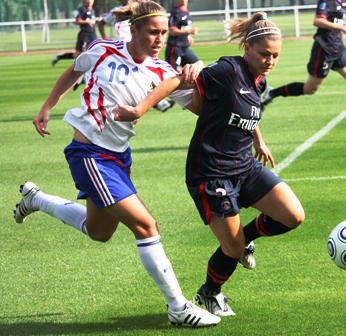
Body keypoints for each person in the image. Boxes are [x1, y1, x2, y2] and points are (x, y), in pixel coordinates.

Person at [14, 0, 220, 327]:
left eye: (164, 33)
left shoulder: (162, 72)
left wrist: (192, 79)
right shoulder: (102, 49)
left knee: (98, 231)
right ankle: (178, 307)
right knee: (146, 226)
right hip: (90, 154)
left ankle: (36, 199)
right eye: (153, 32)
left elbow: (198, 107)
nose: (159, 39)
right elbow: (75, 70)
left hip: (119, 156)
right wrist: (47, 106)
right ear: (133, 29)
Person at [114, 12, 305, 317]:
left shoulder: (259, 78)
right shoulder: (228, 69)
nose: (270, 60)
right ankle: (209, 293)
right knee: (232, 249)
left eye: (276, 55)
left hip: (244, 166)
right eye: (265, 54)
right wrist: (138, 109)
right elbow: (178, 79)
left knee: (293, 215)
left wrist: (259, 139)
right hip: (212, 172)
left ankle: (245, 241)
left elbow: (242, 108)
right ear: (247, 49)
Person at [260, 0, 346, 137]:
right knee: (310, 89)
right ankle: (272, 93)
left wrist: (345, 25)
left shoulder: (337, 2)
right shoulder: (327, 1)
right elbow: (318, 21)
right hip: (325, 49)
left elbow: (335, 19)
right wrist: (341, 28)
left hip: (338, 48)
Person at [97, 0, 175, 112]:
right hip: (123, 51)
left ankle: (158, 103)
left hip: (141, 47)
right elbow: (101, 23)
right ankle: (159, 103)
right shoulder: (115, 11)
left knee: (146, 77)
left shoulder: (141, 11)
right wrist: (104, 37)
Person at [165, 0, 202, 72]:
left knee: (199, 66)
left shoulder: (186, 10)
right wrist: (189, 31)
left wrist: (187, 36)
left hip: (184, 47)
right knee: (172, 73)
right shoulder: (176, 12)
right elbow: (172, 31)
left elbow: (182, 27)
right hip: (175, 47)